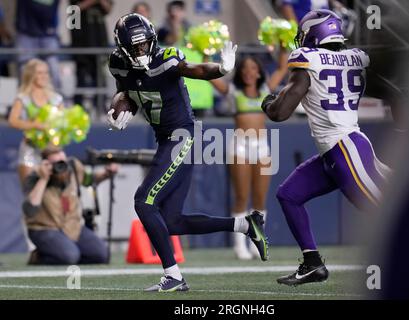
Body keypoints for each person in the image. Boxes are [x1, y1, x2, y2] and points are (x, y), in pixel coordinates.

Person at [107, 13, 269, 292]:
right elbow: (126, 92)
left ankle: (173, 276)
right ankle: (246, 225)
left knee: (144, 201)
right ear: (122, 48)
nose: (140, 51)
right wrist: (117, 109)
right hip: (165, 139)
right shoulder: (118, 65)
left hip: (181, 136)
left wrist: (221, 69)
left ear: (152, 41)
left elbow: (197, 69)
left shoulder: (166, 58)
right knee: (171, 221)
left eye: (144, 45)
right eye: (134, 48)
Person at [261, 10, 390, 286]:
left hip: (346, 150)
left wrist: (268, 104)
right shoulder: (356, 57)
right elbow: (389, 88)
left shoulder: (309, 59)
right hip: (336, 152)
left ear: (312, 34)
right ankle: (312, 264)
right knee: (289, 194)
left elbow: (281, 113)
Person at [209, 49, 288, 260]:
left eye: (253, 68)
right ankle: (239, 245)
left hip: (262, 147)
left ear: (259, 72)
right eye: (244, 69)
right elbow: (211, 77)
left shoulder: (265, 89)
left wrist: (282, 43)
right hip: (240, 147)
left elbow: (282, 67)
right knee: (242, 197)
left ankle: (257, 241)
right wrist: (206, 51)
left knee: (260, 199)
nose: (248, 72)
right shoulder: (233, 91)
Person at [22, 147, 118, 265]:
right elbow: (30, 210)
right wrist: (43, 179)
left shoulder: (73, 167)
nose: (62, 166)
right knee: (70, 257)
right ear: (46, 164)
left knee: (102, 255)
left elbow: (89, 180)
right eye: (56, 163)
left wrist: (106, 174)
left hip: (72, 226)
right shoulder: (35, 175)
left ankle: (64, 252)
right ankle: (38, 257)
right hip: (44, 229)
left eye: (63, 161)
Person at [8, 59, 64, 184]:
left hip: (52, 151)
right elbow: (12, 121)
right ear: (31, 75)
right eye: (39, 73)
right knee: (31, 195)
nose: (44, 76)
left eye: (46, 73)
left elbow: (63, 122)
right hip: (30, 151)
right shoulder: (22, 98)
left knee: (57, 192)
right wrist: (34, 125)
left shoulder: (56, 98)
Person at [70, 0, 113, 110]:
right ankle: (78, 107)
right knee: (81, 78)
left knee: (100, 78)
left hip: (99, 42)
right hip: (80, 42)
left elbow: (108, 9)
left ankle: (100, 107)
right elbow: (73, 10)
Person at [15, 0, 61, 88]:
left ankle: (56, 100)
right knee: (25, 70)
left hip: (48, 34)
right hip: (26, 33)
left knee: (53, 69)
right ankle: (25, 100)